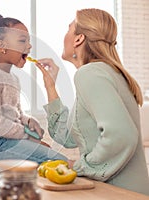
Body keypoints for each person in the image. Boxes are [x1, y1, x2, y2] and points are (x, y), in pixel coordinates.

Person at [35, 8, 149, 195]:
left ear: (79, 39)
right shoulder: (104, 72)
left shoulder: (90, 74)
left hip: (120, 193)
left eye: (69, 29)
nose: (65, 35)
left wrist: (80, 167)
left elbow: (121, 135)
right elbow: (68, 138)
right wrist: (50, 86)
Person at [0, 12, 68, 164]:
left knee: (55, 158)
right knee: (60, 161)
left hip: (6, 140)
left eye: (29, 41)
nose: (29, 45)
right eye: (22, 41)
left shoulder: (13, 78)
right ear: (2, 46)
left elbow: (15, 113)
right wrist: (28, 137)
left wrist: (28, 121)